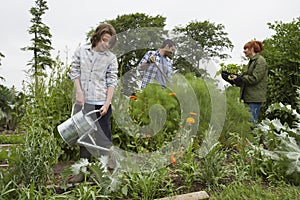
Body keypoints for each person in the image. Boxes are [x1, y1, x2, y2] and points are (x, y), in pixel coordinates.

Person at [69, 23, 118, 179]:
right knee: (83, 137)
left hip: (100, 103)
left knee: (103, 139)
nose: (106, 44)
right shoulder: (82, 52)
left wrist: (107, 103)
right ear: (97, 37)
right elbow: (74, 71)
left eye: (109, 42)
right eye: (104, 40)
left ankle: (102, 172)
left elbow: (111, 81)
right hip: (83, 102)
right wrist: (79, 92)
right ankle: (82, 172)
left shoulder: (111, 58)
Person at [222, 40, 268, 124]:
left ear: (252, 49)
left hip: (255, 98)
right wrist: (233, 78)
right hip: (248, 97)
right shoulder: (251, 62)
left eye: (246, 48)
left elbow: (255, 78)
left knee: (251, 123)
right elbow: (246, 79)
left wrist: (240, 78)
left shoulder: (260, 61)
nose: (244, 51)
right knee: (247, 123)